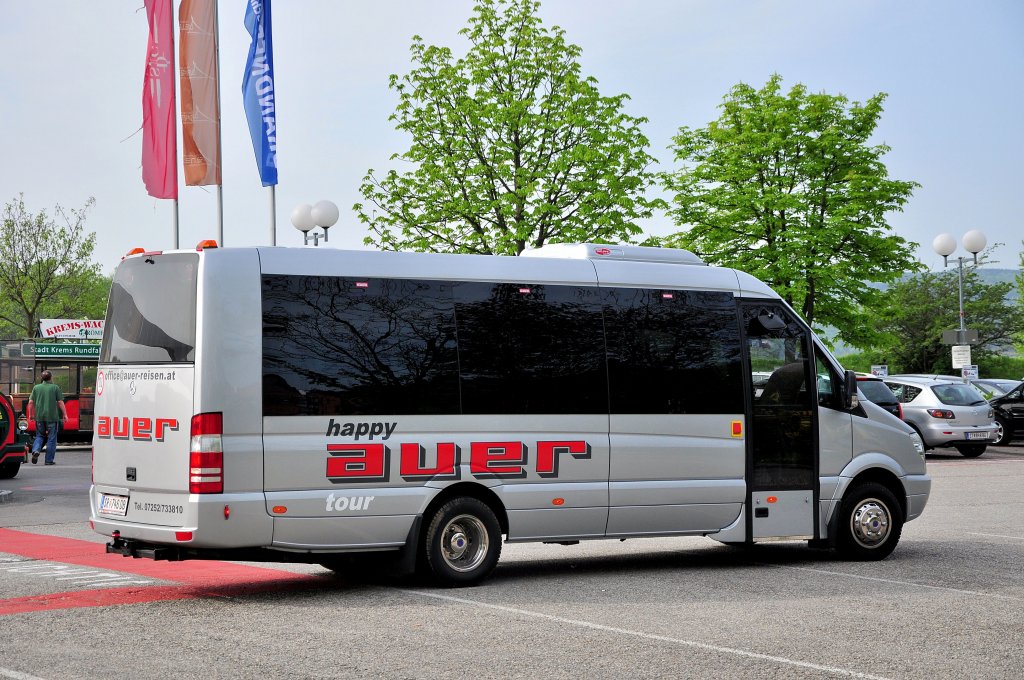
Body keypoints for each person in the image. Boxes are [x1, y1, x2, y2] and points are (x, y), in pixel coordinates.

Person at [28, 370, 67, 465]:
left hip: (39, 417)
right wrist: (65, 414)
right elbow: (60, 402)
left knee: (39, 436)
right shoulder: (55, 387)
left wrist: (30, 414)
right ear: (51, 377)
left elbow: (30, 402)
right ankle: (49, 460)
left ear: (42, 378)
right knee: (51, 438)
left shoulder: (36, 388)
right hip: (52, 417)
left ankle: (36, 450)